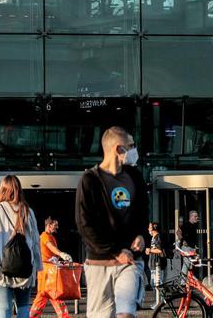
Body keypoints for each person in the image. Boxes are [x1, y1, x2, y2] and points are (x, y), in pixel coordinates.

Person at [75, 126, 150, 318]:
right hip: (99, 263)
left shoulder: (135, 176)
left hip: (130, 261)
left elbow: (143, 213)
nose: (135, 150)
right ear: (118, 149)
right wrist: (116, 251)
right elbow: (85, 225)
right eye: (131, 146)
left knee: (126, 311)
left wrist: (141, 234)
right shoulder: (89, 180)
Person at [0, 175, 43, 318]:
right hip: (25, 267)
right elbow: (35, 241)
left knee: (4, 308)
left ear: (2, 190)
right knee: (23, 307)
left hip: (0, 268)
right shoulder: (27, 211)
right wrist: (38, 267)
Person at [29, 217, 73, 318]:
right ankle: (64, 316)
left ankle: (33, 316)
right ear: (49, 225)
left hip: (49, 270)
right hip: (46, 270)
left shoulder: (51, 237)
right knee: (52, 293)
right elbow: (51, 248)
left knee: (45, 294)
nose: (56, 227)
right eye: (55, 225)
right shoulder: (44, 236)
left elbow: (52, 251)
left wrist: (59, 258)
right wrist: (61, 254)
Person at [144, 222, 167, 309]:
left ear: (154, 228)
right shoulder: (153, 238)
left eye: (149, 227)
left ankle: (160, 303)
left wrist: (150, 250)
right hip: (154, 264)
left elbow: (160, 250)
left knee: (158, 284)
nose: (148, 229)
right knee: (155, 284)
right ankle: (159, 302)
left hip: (158, 265)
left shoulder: (158, 237)